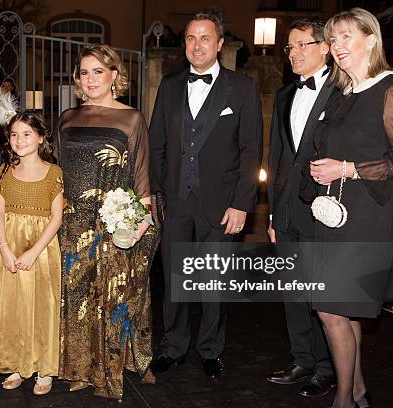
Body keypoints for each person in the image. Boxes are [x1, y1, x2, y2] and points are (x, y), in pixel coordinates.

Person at [305, 8, 393, 408]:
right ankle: (356, 392)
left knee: (330, 307)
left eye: (346, 37)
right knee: (343, 310)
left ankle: (343, 400)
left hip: (367, 213)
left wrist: (348, 168)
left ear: (370, 39)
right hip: (332, 212)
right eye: (332, 40)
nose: (337, 47)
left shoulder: (391, 89)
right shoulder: (342, 93)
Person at [149, 12, 262, 378]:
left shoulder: (242, 89)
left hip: (222, 203)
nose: (197, 45)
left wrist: (243, 204)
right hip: (176, 201)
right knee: (175, 280)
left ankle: (211, 349)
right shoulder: (169, 86)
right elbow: (157, 145)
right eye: (190, 39)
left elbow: (250, 152)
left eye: (205, 38)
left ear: (219, 44)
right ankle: (173, 346)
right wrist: (155, 195)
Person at [54, 44, 160, 400]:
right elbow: (57, 174)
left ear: (115, 75)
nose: (91, 79)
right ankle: (79, 367)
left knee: (109, 298)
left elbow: (141, 176)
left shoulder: (131, 118)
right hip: (71, 225)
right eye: (84, 72)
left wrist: (139, 222)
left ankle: (107, 368)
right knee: (76, 297)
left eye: (98, 71)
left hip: (110, 225)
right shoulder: (67, 117)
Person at [265, 18, 335, 397]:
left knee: (319, 293)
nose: (293, 53)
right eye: (289, 47)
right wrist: (274, 213)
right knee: (293, 289)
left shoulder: (343, 93)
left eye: (301, 45)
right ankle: (302, 360)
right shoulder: (283, 95)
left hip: (323, 210)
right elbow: (277, 156)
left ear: (324, 47)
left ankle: (327, 368)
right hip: (288, 210)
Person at [0, 111, 63, 396]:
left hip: (40, 249)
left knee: (42, 306)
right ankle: (14, 363)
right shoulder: (4, 170)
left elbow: (56, 218)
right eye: (14, 134)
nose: (19, 140)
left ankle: (44, 367)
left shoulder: (54, 172)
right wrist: (3, 248)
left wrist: (34, 252)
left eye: (27, 134)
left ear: (41, 138)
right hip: (10, 245)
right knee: (12, 306)